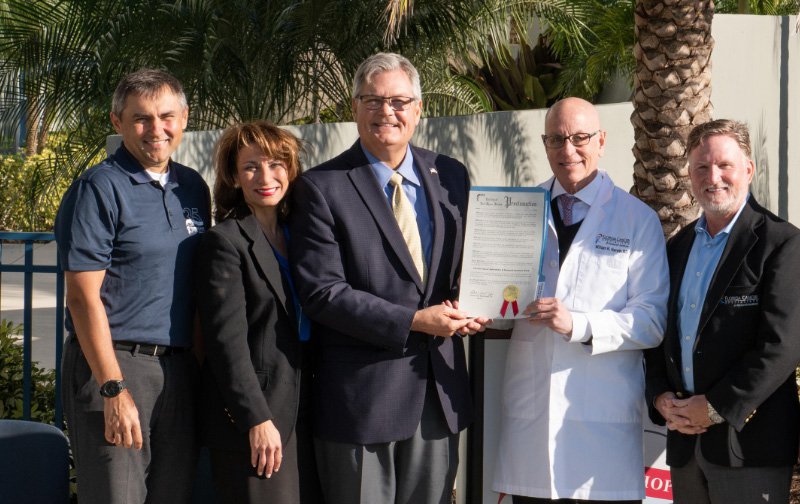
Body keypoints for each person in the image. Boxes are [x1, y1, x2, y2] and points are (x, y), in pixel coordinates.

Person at [288, 52, 488, 504]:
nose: (386, 112)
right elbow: (323, 293)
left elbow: (463, 269)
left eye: (399, 101)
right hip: (362, 400)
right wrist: (415, 320)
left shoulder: (451, 174)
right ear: (354, 108)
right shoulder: (321, 187)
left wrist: (477, 305)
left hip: (439, 394)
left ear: (418, 109)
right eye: (372, 100)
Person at [491, 97, 669, 503]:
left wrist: (580, 325)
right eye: (556, 139)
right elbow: (500, 305)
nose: (568, 150)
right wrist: (482, 309)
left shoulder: (636, 219)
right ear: (545, 144)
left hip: (600, 430)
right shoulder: (519, 211)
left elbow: (651, 319)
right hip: (531, 426)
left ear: (602, 141)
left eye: (580, 138)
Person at [54, 69, 210, 504]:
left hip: (178, 371)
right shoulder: (98, 188)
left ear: (184, 117)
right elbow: (83, 296)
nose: (155, 129)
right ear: (117, 122)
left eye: (165, 116)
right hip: (117, 366)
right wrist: (112, 387)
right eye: (141, 118)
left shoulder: (193, 187)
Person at [644, 119, 800, 503]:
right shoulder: (678, 248)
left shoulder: (783, 245)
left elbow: (781, 348)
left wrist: (717, 407)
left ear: (748, 170)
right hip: (685, 447)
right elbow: (658, 333)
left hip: (750, 448)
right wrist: (660, 399)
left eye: (724, 166)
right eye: (701, 167)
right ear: (689, 173)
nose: (712, 177)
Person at [195, 122, 321, 503]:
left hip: (306, 411)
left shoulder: (302, 236)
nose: (266, 177)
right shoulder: (225, 243)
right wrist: (257, 419)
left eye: (276, 164)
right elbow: (226, 345)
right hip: (256, 420)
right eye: (251, 166)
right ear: (234, 176)